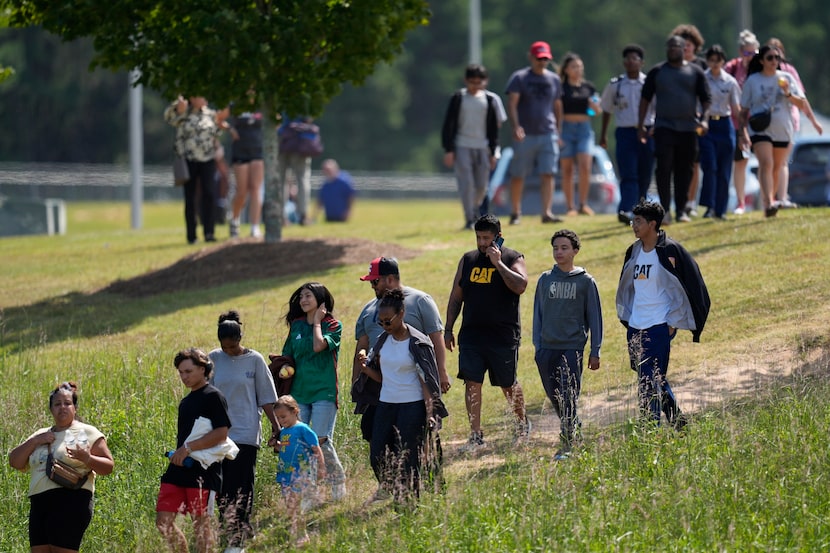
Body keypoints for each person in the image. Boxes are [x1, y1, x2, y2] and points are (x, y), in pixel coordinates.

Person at [615, 201, 710, 428]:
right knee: (652, 378)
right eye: (633, 221)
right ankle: (679, 424)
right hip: (635, 326)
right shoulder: (633, 251)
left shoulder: (670, 250)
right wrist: (627, 317)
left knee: (648, 381)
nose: (634, 226)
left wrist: (674, 321)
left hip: (659, 326)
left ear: (652, 224)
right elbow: (626, 285)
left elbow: (691, 285)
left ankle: (650, 430)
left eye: (638, 221)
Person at [445, 214, 530, 449]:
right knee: (472, 382)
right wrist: (449, 328)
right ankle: (475, 435)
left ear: (498, 238)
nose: (482, 243)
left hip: (502, 335)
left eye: (487, 238)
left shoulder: (513, 257)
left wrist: (498, 264)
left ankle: (522, 425)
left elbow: (521, 285)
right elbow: (456, 296)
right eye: (479, 237)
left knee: (507, 383)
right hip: (472, 334)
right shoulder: (468, 259)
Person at [357, 289, 448, 505]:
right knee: (377, 453)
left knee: (409, 458)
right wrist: (366, 370)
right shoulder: (381, 341)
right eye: (380, 322)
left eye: (388, 321)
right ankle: (391, 487)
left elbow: (425, 380)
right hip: (386, 404)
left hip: (412, 406)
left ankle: (409, 502)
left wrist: (430, 411)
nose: (384, 326)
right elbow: (382, 377)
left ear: (402, 313)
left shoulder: (417, 342)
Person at [353, 256, 450, 443]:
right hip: (380, 382)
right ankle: (392, 469)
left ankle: (426, 466)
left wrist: (442, 373)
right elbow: (362, 346)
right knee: (372, 432)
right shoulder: (368, 309)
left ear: (389, 279)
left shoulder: (420, 300)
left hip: (413, 381)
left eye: (375, 281)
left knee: (418, 434)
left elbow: (435, 339)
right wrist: (357, 381)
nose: (372, 286)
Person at [9, 382, 114, 553]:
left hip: (71, 500)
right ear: (51, 409)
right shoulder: (40, 434)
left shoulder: (87, 432)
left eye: (67, 403)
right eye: (57, 404)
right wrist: (36, 441)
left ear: (75, 408)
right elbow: (15, 461)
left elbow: (108, 467)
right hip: (39, 503)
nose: (62, 407)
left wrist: (87, 458)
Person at [209, 311, 279, 553]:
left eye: (233, 345)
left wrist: (276, 427)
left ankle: (238, 535)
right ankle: (227, 526)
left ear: (241, 338)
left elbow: (267, 398)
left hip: (247, 432)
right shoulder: (213, 359)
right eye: (224, 347)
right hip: (218, 434)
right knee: (221, 486)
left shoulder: (255, 360)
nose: (228, 350)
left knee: (242, 485)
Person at [533, 230, 602, 460]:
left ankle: (568, 443)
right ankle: (574, 429)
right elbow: (538, 315)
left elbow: (595, 318)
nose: (559, 252)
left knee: (568, 394)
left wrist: (595, 350)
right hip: (546, 349)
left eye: (564, 248)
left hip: (572, 348)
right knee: (554, 396)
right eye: (555, 248)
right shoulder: (545, 280)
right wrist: (538, 347)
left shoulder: (585, 281)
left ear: (575, 251)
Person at [156, 348, 232, 553]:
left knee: (201, 527)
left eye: (188, 371)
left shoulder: (214, 396)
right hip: (178, 469)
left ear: (203, 369)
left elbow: (222, 433)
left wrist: (188, 448)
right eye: (180, 372)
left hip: (204, 472)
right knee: (163, 522)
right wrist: (182, 452)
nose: (183, 376)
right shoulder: (186, 401)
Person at [280, 282, 347, 503]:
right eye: (301, 297)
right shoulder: (297, 326)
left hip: (324, 392)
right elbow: (287, 355)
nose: (303, 300)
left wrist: (317, 321)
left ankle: (337, 479)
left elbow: (319, 346)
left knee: (320, 439)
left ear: (320, 299)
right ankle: (308, 493)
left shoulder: (333, 325)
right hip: (300, 393)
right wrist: (282, 369)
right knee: (301, 443)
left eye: (308, 296)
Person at [638, 35, 712, 225]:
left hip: (688, 128)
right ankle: (665, 209)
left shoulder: (695, 72)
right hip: (664, 127)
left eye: (676, 47)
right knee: (663, 168)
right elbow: (645, 99)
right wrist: (641, 125)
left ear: (683, 49)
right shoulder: (657, 72)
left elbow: (706, 99)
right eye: (670, 47)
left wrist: (704, 120)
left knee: (685, 170)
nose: (673, 50)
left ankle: (681, 210)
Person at [739, 45, 815, 218]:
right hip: (761, 129)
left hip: (783, 129)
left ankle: (770, 202)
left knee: (776, 167)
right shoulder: (753, 81)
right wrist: (742, 132)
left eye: (777, 58)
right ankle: (769, 202)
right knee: (766, 163)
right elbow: (743, 110)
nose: (774, 61)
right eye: (770, 58)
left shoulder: (787, 78)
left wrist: (787, 92)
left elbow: (801, 104)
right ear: (761, 61)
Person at [441, 63, 507, 230]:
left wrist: (493, 152)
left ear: (485, 82)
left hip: (483, 147)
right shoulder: (458, 98)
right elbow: (448, 125)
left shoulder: (490, 100)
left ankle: (475, 209)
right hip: (462, 145)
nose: (475, 86)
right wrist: (449, 149)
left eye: (479, 82)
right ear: (466, 80)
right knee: (467, 183)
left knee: (481, 186)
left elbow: (494, 130)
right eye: (472, 82)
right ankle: (469, 217)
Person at [505, 41, 564, 225]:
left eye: (545, 59)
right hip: (526, 134)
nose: (542, 62)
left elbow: (557, 105)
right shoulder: (520, 78)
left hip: (548, 133)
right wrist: (516, 126)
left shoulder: (554, 79)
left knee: (548, 173)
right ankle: (516, 212)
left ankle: (546, 212)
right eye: (539, 58)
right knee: (518, 174)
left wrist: (558, 131)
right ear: (531, 57)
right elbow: (512, 104)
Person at [600, 44, 655, 224]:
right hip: (625, 132)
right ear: (624, 62)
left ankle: (641, 208)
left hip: (647, 131)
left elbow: (657, 108)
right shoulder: (616, 85)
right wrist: (603, 134)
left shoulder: (649, 83)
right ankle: (626, 208)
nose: (631, 62)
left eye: (635, 58)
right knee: (628, 173)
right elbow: (607, 109)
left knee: (645, 173)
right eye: (628, 59)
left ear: (642, 62)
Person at [765, 38, 824, 208]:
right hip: (766, 126)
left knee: (783, 162)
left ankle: (782, 198)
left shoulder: (789, 72)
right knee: (768, 163)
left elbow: (802, 100)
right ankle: (769, 198)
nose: (775, 57)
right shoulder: (760, 73)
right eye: (771, 53)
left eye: (778, 52)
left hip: (789, 122)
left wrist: (813, 121)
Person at [164, 96, 228, 244]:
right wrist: (178, 107)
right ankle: (191, 235)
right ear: (192, 99)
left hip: (208, 159)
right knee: (190, 197)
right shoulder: (183, 113)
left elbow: (216, 132)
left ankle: (209, 232)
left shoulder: (210, 114)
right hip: (189, 159)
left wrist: (222, 124)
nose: (204, 99)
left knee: (209, 194)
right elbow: (168, 117)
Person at [272, 395, 326, 548]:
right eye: (278, 418)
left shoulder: (303, 428)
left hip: (300, 473)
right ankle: (295, 530)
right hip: (285, 474)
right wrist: (276, 445)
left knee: (295, 504)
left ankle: (302, 535)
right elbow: (285, 448)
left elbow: (316, 447)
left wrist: (321, 467)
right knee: (290, 505)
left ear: (295, 411)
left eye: (283, 416)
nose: (281, 421)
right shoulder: (284, 432)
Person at [698, 45, 742, 220]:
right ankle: (709, 206)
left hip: (725, 125)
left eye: (718, 60)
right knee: (710, 167)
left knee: (724, 170)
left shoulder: (730, 82)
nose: (715, 64)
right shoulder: (701, 79)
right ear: (707, 61)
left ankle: (721, 209)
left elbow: (736, 108)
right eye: (711, 60)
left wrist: (744, 130)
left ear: (723, 61)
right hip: (706, 125)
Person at [558, 52, 601, 217]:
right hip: (566, 128)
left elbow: (596, 111)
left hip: (584, 128)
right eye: (574, 67)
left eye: (580, 67)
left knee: (585, 165)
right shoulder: (561, 88)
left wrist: (593, 106)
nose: (578, 70)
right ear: (567, 70)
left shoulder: (588, 88)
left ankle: (583, 203)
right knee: (567, 169)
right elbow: (558, 110)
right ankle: (570, 207)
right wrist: (558, 132)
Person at [671, 23, 707, 218]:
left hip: (697, 120)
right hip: (675, 121)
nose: (686, 48)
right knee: (677, 164)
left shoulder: (702, 66)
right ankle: (679, 202)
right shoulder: (671, 66)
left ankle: (690, 202)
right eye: (682, 44)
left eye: (689, 44)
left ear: (695, 45)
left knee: (694, 164)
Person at [724, 29, 760, 215]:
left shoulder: (762, 68)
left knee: (765, 160)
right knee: (741, 162)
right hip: (737, 123)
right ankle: (740, 202)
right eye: (747, 53)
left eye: (754, 53)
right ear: (740, 52)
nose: (751, 56)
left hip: (760, 122)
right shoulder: (732, 68)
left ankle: (769, 199)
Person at [226, 93, 265, 238]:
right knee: (242, 191)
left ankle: (255, 226)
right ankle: (235, 220)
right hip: (241, 151)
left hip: (258, 151)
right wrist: (230, 129)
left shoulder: (262, 105)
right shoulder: (236, 106)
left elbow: (277, 119)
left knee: (255, 189)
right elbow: (218, 118)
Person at [278, 116, 320, 225]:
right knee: (302, 179)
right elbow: (309, 118)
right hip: (300, 143)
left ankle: (281, 216)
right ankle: (303, 215)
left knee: (281, 181)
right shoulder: (303, 100)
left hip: (282, 140)